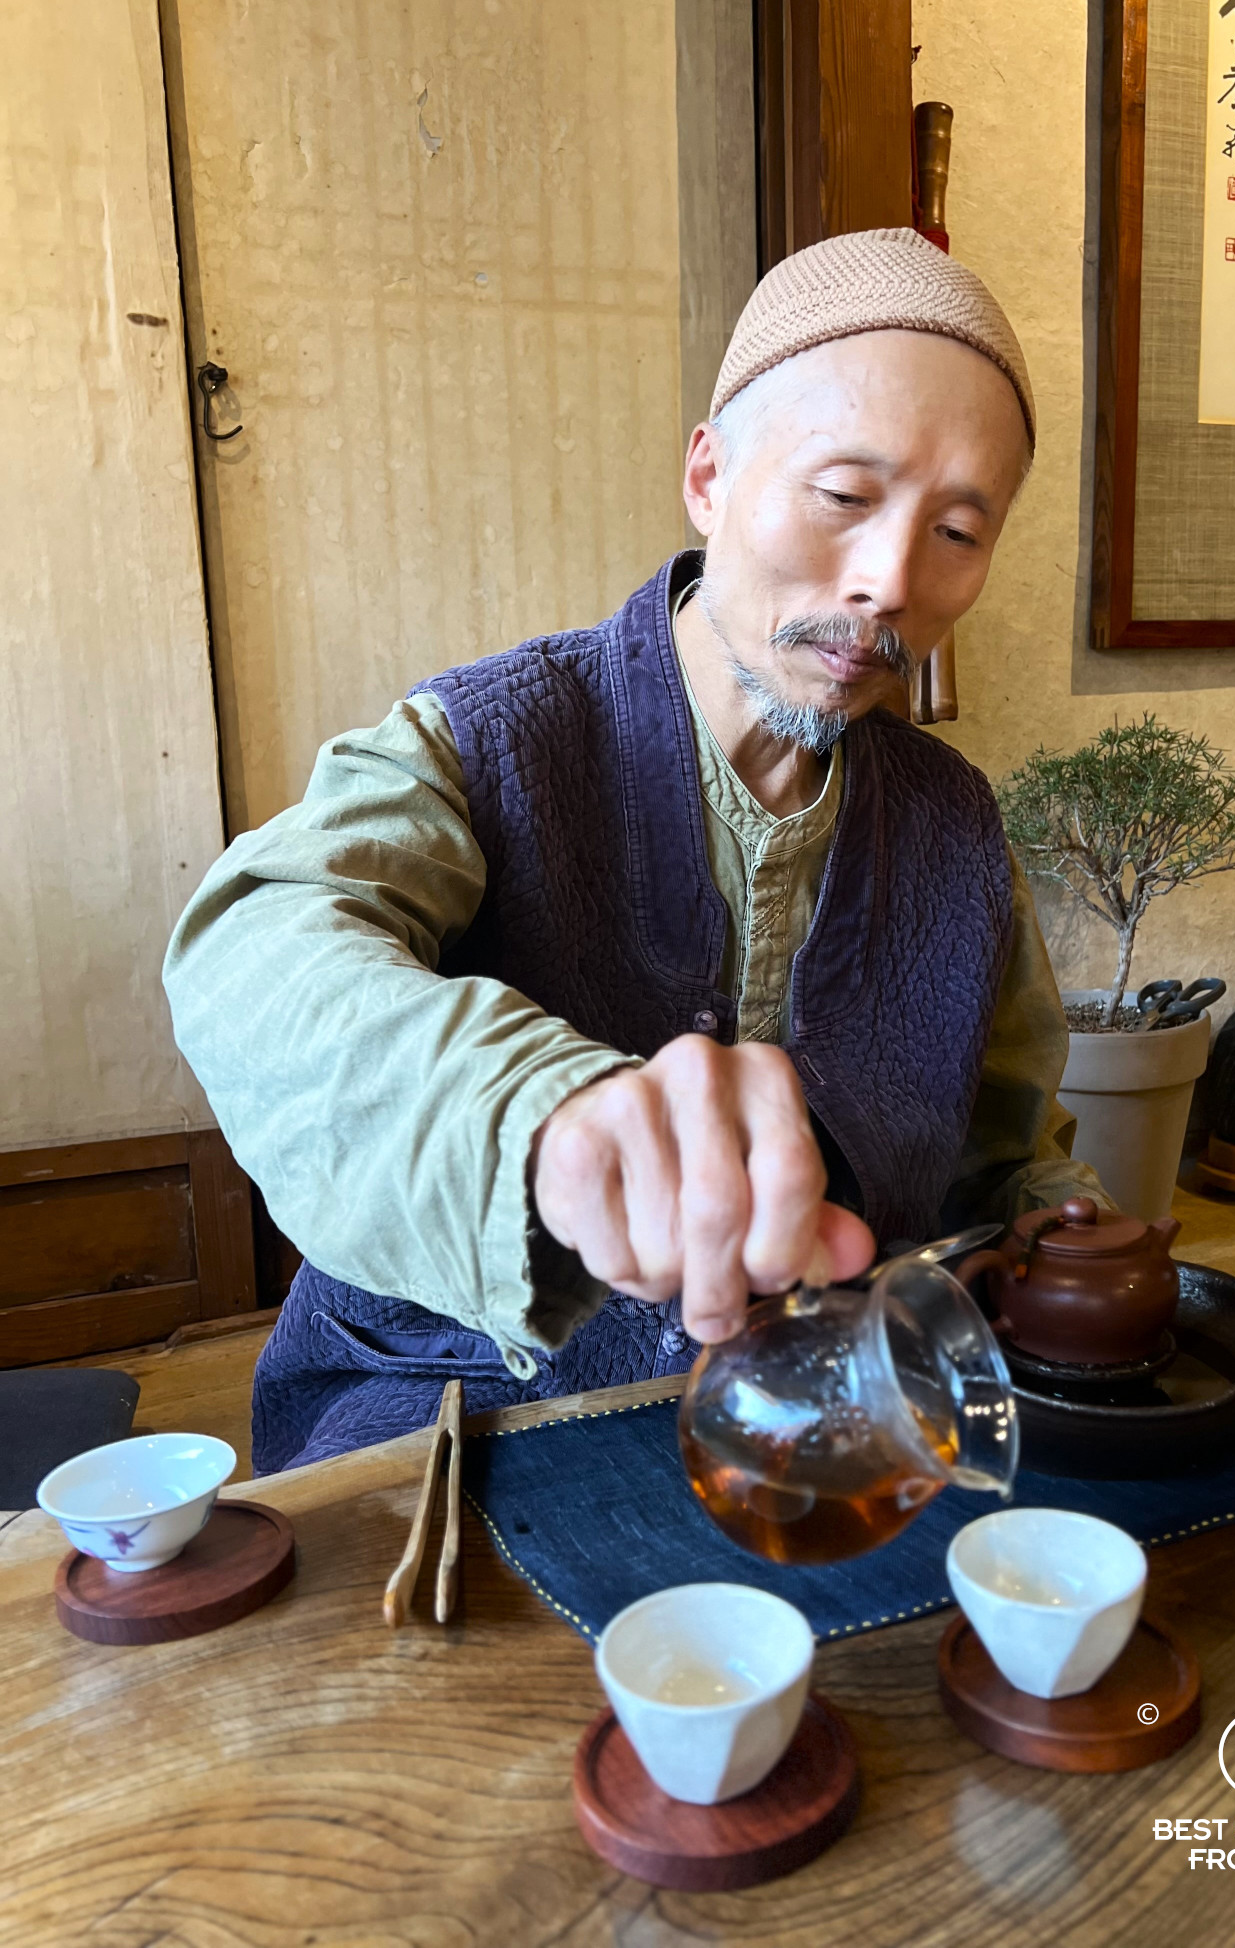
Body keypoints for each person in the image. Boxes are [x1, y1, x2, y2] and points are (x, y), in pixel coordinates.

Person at [164, 227, 1108, 1472]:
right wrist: (549, 1120)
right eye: (843, 495)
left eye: (958, 532)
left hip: (814, 1445)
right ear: (710, 478)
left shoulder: (955, 826)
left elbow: (1008, 1158)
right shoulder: (488, 739)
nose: (888, 580)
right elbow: (256, 948)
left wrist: (1064, 1249)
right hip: (456, 1425)